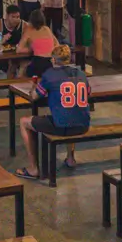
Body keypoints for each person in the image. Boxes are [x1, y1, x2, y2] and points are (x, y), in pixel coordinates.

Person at [16, 44, 89, 179]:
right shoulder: (81, 74)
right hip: (83, 125)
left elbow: (34, 96)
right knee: (71, 112)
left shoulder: (50, 75)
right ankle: (70, 158)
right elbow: (87, 92)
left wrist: (34, 86)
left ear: (53, 60)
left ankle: (33, 169)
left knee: (23, 122)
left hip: (62, 126)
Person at [0, 4, 25, 77]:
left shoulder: (23, 25)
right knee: (11, 64)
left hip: (18, 55)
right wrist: (1, 40)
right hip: (2, 57)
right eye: (13, 17)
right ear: (7, 16)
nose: (16, 20)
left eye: (18, 17)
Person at [17, 8, 57, 78]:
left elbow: (18, 50)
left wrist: (32, 48)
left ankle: (19, 87)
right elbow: (57, 44)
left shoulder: (29, 30)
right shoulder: (47, 29)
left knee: (23, 66)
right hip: (50, 64)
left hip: (38, 64)